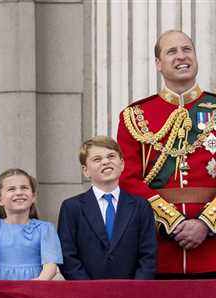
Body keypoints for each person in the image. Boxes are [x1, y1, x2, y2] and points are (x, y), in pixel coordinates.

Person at [117, 30, 216, 278]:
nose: (181, 56)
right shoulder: (135, 116)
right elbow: (126, 179)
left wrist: (206, 223)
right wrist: (174, 222)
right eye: (172, 51)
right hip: (158, 251)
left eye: (187, 49)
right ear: (158, 64)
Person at [57, 136, 156, 280]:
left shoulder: (140, 206)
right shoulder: (72, 208)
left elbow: (148, 254)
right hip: (87, 293)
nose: (105, 161)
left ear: (122, 164)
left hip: (132, 293)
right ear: (85, 171)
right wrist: (88, 288)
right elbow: (67, 254)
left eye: (111, 156)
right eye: (97, 159)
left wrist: (137, 289)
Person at [0, 168, 63, 280]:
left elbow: (50, 265)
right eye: (11, 189)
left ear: (33, 196)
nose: (19, 192)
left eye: (24, 188)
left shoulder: (45, 229)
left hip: (33, 289)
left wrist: (39, 282)